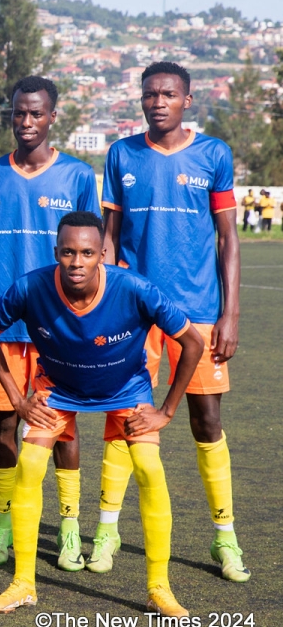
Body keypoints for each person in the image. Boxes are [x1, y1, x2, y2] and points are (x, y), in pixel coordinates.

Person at [0, 211, 202, 618]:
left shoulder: (136, 288)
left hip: (126, 390)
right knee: (30, 464)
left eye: (87, 252)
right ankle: (23, 584)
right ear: (56, 252)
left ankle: (159, 588)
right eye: (68, 252)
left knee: (150, 469)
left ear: (103, 253)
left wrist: (166, 411)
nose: (76, 262)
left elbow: (192, 342)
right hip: (58, 389)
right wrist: (16, 397)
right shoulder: (30, 287)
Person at [98, 61, 247, 582]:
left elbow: (228, 238)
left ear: (187, 100)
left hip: (199, 314)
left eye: (167, 94)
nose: (157, 101)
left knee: (206, 421)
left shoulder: (213, 155)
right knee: (125, 417)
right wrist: (106, 300)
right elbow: (110, 237)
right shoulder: (121, 154)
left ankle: (224, 536)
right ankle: (107, 528)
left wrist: (229, 314)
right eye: (149, 94)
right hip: (135, 314)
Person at [0, 76, 99, 571]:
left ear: (52, 117)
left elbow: (93, 253)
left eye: (36, 114)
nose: (26, 123)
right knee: (3, 425)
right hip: (2, 327)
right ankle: (1, 522)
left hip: (59, 326)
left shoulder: (77, 175)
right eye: (18, 114)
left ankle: (69, 527)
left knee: (62, 429)